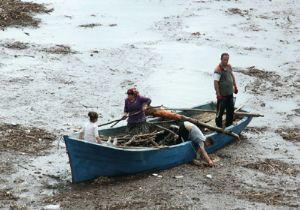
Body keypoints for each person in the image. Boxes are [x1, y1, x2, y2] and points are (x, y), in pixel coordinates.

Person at [213, 52, 238, 128]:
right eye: (224, 60)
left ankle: (229, 125)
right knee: (220, 112)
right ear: (221, 59)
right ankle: (218, 127)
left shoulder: (229, 66)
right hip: (222, 96)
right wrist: (218, 94)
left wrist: (235, 86)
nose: (226, 61)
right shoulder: (218, 69)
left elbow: (232, 76)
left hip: (230, 94)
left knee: (230, 111)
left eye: (227, 60)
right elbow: (215, 82)